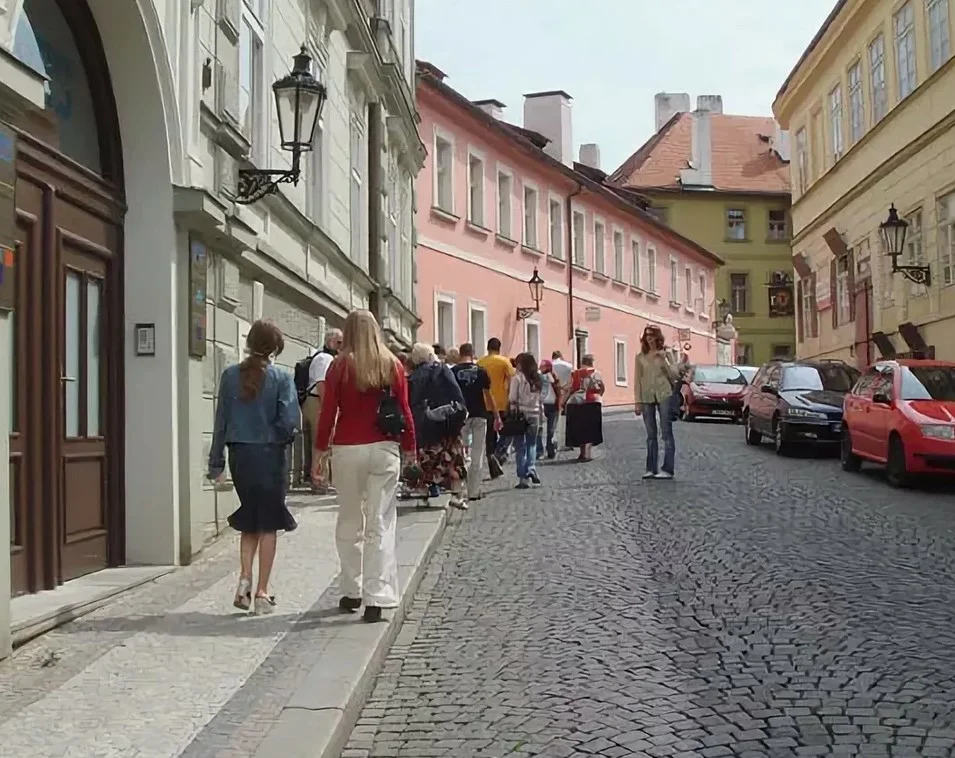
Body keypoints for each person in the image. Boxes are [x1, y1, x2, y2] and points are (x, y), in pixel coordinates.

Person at [312, 310, 415, 623]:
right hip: (383, 448)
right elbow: (405, 410)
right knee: (380, 522)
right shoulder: (392, 364)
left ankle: (351, 590)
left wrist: (319, 451)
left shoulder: (339, 366)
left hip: (347, 448)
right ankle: (376, 595)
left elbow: (328, 411)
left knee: (348, 519)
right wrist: (411, 447)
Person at [208, 320, 299, 615]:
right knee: (268, 523)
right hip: (270, 456)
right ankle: (262, 592)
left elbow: (221, 420)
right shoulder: (281, 378)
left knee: (249, 520)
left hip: (240, 456)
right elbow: (288, 420)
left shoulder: (230, 375)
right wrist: (282, 439)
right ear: (274, 348)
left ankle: (244, 580)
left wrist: (216, 462)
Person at [407, 343, 468, 509]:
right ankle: (456, 495)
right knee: (453, 458)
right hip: (448, 422)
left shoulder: (413, 377)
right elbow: (456, 392)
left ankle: (425, 492)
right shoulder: (443, 370)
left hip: (426, 425)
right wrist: (461, 410)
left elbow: (411, 403)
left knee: (428, 459)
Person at [633, 325, 680, 479]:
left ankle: (667, 469)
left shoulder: (666, 354)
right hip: (646, 396)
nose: (649, 338)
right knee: (650, 434)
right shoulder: (640, 357)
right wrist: (637, 401)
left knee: (666, 432)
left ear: (658, 337)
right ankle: (651, 469)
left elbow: (674, 376)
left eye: (652, 335)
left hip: (664, 394)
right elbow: (637, 380)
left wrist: (665, 360)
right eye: (647, 336)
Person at [298, 328, 343, 492]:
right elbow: (322, 384)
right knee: (323, 440)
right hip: (318, 402)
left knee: (322, 440)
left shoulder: (324, 357)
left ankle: (322, 479)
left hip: (315, 401)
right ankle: (321, 481)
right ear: (330, 342)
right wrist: (329, 409)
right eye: (339, 343)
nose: (341, 346)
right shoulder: (325, 359)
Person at [451, 343, 495, 501]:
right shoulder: (481, 371)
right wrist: (495, 415)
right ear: (473, 353)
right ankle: (474, 491)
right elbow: (488, 396)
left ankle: (460, 489)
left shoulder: (453, 372)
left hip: (461, 416)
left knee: (461, 453)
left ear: (460, 354)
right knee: (478, 452)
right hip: (479, 414)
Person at [477, 337, 513, 478]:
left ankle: (491, 457)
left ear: (487, 348)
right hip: (502, 402)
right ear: (499, 347)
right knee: (506, 432)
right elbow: (511, 379)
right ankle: (499, 454)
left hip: (485, 403)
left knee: (489, 435)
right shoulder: (504, 362)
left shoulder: (480, 362)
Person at [509, 353, 544, 489]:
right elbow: (541, 399)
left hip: (521, 415)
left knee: (520, 447)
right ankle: (531, 467)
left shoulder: (517, 378)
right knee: (532, 444)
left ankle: (523, 478)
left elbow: (512, 398)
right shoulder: (537, 379)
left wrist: (511, 411)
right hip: (535, 414)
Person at [565, 354, 605, 462]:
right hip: (593, 402)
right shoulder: (597, 373)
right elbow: (602, 387)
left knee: (580, 428)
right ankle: (587, 454)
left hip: (576, 403)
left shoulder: (575, 373)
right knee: (591, 429)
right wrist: (599, 396)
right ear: (592, 362)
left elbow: (570, 388)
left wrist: (564, 401)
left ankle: (582, 453)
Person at [537, 359, 561, 459]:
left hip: (552, 405)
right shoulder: (538, 377)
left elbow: (558, 390)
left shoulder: (553, 376)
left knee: (550, 430)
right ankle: (539, 451)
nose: (541, 367)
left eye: (543, 366)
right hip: (541, 404)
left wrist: (559, 403)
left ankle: (550, 450)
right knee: (540, 429)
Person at [551, 350, 574, 449]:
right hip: (565, 391)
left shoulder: (550, 365)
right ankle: (565, 442)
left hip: (553, 393)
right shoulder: (568, 365)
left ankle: (554, 441)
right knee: (564, 419)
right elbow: (573, 378)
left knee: (553, 419)